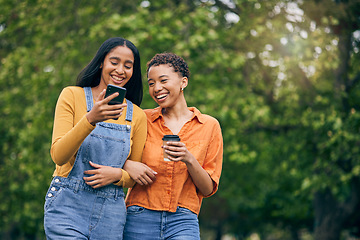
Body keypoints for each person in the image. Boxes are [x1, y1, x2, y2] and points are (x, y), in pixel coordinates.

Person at [43, 37, 147, 240]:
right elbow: (59, 155)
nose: (120, 70)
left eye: (128, 66)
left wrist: (118, 175)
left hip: (111, 215)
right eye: (114, 62)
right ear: (101, 63)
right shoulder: (72, 96)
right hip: (67, 207)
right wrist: (91, 119)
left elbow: (136, 176)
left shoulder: (137, 116)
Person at [122, 52, 223, 239]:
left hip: (183, 220)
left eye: (163, 80)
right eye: (151, 83)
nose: (156, 88)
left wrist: (189, 158)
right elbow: (109, 151)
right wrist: (127, 165)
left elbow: (208, 188)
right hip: (139, 215)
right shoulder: (141, 119)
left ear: (183, 82)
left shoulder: (209, 126)